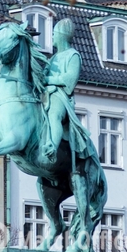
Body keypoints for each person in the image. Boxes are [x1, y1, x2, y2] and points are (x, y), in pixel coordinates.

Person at [42, 18, 91, 161]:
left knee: (54, 115)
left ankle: (52, 147)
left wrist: (49, 80)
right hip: (46, 93)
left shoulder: (73, 55)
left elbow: (69, 79)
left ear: (61, 35)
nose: (52, 36)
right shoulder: (53, 58)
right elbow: (44, 74)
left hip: (60, 96)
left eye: (54, 33)